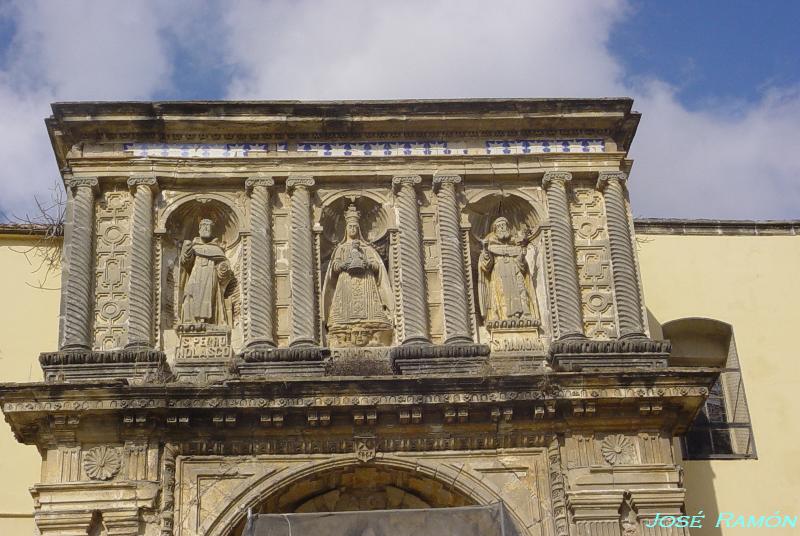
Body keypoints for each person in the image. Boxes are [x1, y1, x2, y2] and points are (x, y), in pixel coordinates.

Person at [323, 204, 393, 345]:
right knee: (342, 313)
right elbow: (334, 268)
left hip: (366, 283)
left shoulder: (367, 248)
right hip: (346, 283)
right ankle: (342, 331)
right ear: (346, 229)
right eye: (350, 227)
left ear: (359, 229)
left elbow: (376, 266)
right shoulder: (341, 249)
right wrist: (344, 265)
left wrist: (367, 263)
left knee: (371, 311)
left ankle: (372, 328)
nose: (353, 229)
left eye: (355, 227)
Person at [477, 217, 540, 323]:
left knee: (521, 290)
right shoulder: (491, 244)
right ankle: (503, 317)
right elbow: (486, 265)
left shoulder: (515, 243)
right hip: (499, 272)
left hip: (515, 270)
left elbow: (522, 266)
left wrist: (522, 254)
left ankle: (524, 314)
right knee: (501, 293)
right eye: (499, 225)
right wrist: (485, 251)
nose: (502, 227)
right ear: (495, 229)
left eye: (504, 225)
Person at [180, 218, 234, 326]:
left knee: (208, 297)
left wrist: (223, 269)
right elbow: (186, 263)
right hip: (195, 274)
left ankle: (206, 322)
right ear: (199, 229)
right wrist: (186, 252)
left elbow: (225, 266)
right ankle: (188, 321)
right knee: (189, 294)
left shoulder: (216, 248)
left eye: (208, 227)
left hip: (210, 274)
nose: (205, 229)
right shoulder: (194, 246)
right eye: (203, 226)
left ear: (212, 231)